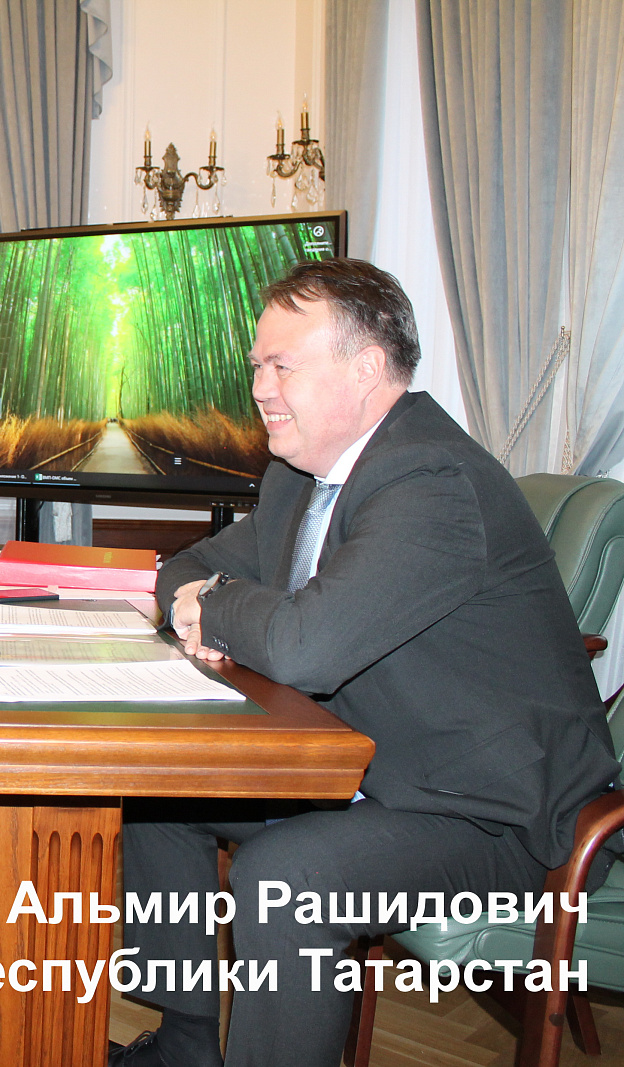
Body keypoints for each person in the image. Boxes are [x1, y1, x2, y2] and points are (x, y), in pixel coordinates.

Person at [113, 259, 618, 1067]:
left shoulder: (432, 480)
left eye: (283, 365)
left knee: (286, 879)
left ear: (367, 368)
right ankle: (185, 1046)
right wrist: (199, 596)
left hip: (495, 816)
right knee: (157, 795)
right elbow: (187, 564)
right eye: (256, 366)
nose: (260, 388)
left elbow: (303, 647)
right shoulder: (298, 477)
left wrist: (215, 604)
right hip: (373, 771)